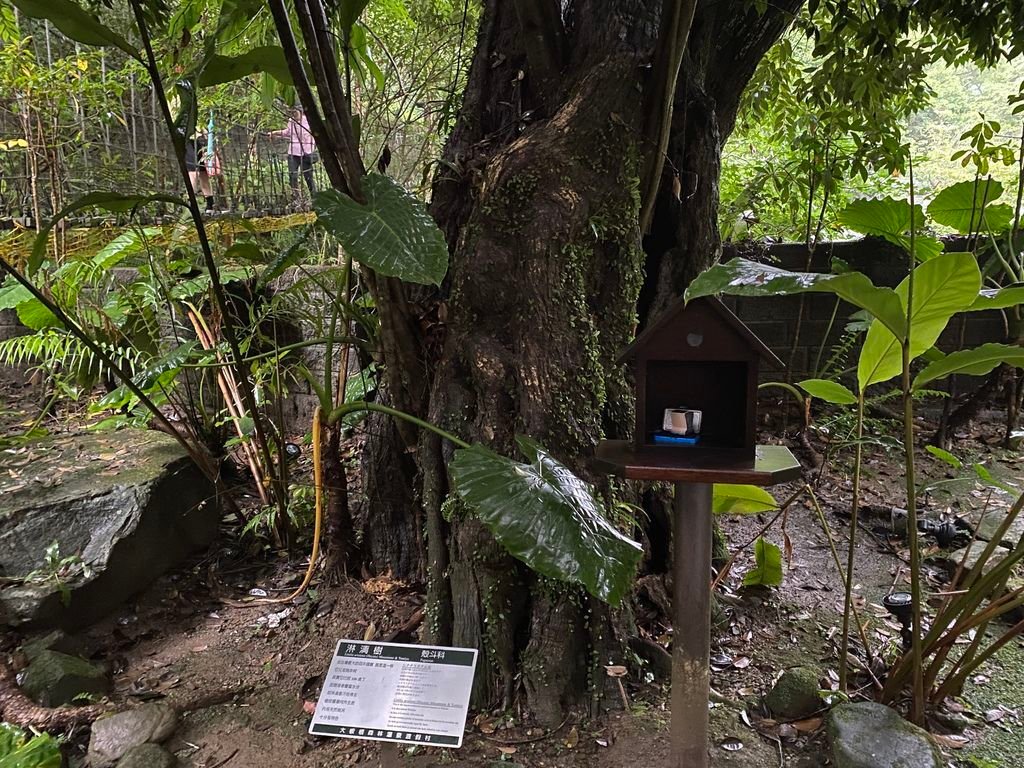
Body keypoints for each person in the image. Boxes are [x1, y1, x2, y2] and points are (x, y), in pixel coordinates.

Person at [268, 107, 317, 201]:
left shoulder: (308, 120)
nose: (293, 114)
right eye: (291, 112)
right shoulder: (291, 121)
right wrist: (274, 133)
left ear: (300, 112)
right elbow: (287, 132)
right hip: (293, 152)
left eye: (295, 112)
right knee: (292, 175)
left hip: (306, 152)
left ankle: (314, 198)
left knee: (308, 176)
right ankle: (297, 198)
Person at [184, 133, 215, 211]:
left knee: (204, 174)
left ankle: (210, 205)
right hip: (188, 140)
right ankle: (190, 205)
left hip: (202, 139)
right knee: (193, 173)